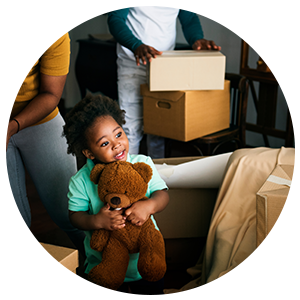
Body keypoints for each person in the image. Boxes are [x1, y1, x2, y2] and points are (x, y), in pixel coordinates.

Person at [62, 93, 169, 294]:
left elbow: (162, 194)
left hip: (145, 262)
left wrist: (150, 205)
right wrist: (97, 221)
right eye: (104, 143)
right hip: (102, 264)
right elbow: (75, 216)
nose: (116, 144)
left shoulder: (142, 163)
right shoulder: (81, 181)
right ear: (89, 153)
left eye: (118, 134)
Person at [6, 3, 85, 256]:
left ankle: (101, 272)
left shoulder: (51, 23)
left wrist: (13, 126)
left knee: (70, 213)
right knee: (13, 224)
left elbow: (51, 94)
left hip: (39, 118)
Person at [107, 3, 221, 158]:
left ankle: (155, 178)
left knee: (159, 130)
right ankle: (127, 178)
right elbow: (115, 19)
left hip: (164, 66)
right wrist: (136, 45)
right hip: (133, 64)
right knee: (131, 130)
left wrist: (197, 39)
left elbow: (188, 18)